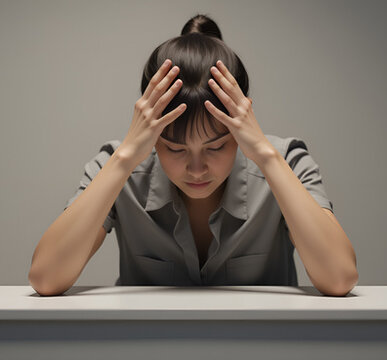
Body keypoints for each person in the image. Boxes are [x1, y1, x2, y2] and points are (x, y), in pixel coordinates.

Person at [29, 14, 357, 296]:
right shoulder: (118, 164)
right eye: (175, 149)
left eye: (216, 147)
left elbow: (340, 277)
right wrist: (126, 157)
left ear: (242, 125)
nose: (197, 169)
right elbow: (45, 278)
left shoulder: (287, 160)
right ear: (153, 133)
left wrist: (266, 158)